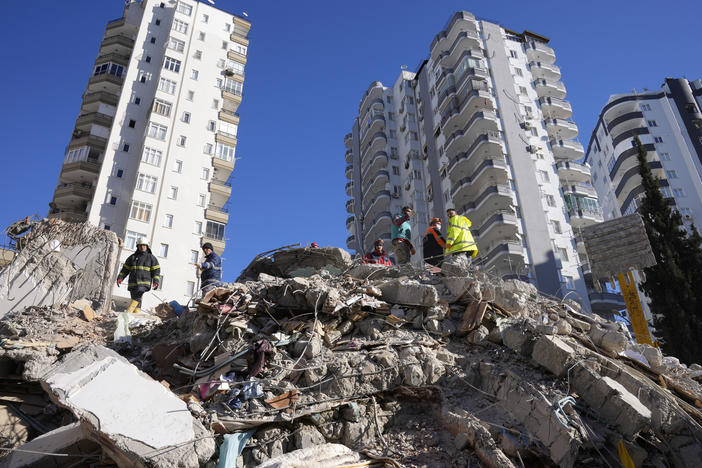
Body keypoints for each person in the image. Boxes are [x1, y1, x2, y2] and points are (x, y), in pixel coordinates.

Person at [116, 237, 160, 314]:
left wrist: (155, 282)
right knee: (136, 299)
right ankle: (136, 315)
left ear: (147, 246)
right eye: (140, 245)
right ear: (137, 246)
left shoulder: (151, 258)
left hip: (144, 283)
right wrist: (120, 278)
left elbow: (156, 271)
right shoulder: (132, 258)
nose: (142, 247)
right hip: (133, 283)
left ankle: (128, 313)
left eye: (144, 245)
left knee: (137, 297)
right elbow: (125, 270)